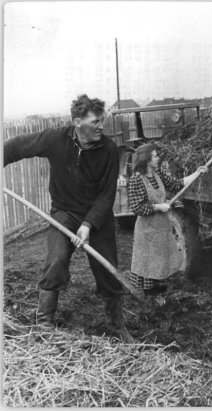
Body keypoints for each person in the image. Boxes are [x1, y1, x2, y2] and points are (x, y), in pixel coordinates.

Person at [4, 94, 132, 342]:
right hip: (64, 213)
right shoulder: (55, 139)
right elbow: (17, 146)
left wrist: (88, 224)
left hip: (98, 217)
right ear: (77, 122)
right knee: (56, 261)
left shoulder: (108, 150)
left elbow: (107, 196)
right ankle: (44, 324)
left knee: (108, 270)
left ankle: (116, 325)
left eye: (101, 121)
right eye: (95, 121)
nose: (101, 126)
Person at [128, 143, 207, 302]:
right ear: (147, 160)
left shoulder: (158, 174)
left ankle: (161, 297)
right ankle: (151, 301)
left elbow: (176, 184)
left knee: (162, 261)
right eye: (155, 156)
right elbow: (136, 207)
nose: (158, 158)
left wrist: (197, 173)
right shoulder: (137, 179)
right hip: (147, 230)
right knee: (150, 265)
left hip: (162, 226)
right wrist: (158, 206)